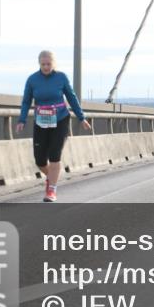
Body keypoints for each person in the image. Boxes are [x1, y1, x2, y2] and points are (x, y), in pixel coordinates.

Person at [16, 50, 91, 202]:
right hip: (41, 122)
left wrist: (81, 117)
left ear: (53, 63)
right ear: (39, 64)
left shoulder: (61, 77)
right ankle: (51, 178)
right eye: (43, 64)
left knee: (55, 155)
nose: (46, 67)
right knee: (40, 160)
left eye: (48, 64)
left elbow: (72, 97)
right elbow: (26, 101)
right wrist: (22, 120)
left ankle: (51, 190)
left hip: (60, 120)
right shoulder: (32, 80)